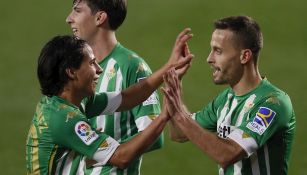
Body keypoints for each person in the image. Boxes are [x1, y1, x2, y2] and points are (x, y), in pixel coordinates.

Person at [26, 29, 193, 174]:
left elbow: (126, 98)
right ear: (71, 72)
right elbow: (122, 157)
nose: (99, 69)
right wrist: (164, 116)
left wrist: (170, 67)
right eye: (92, 63)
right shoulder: (64, 118)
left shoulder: (71, 102)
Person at [163, 16, 296, 175]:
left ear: (244, 56)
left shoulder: (273, 103)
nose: (209, 59)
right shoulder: (225, 100)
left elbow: (227, 154)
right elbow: (178, 133)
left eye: (218, 51)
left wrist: (179, 114)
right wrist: (173, 85)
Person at [65, 0, 167, 174]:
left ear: (99, 17)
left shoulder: (132, 67)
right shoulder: (72, 68)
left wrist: (103, 153)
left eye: (77, 11)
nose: (69, 18)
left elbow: (154, 134)